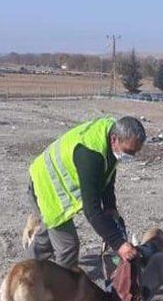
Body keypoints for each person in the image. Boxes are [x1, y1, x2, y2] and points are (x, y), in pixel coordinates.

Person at [26, 115, 146, 269]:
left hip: (51, 181)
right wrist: (119, 244)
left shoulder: (109, 134)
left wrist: (110, 207)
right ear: (114, 139)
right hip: (46, 186)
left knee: (49, 236)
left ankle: (25, 271)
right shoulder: (90, 155)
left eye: (135, 152)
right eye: (129, 151)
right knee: (67, 247)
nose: (132, 156)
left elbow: (107, 175)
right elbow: (92, 210)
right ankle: (60, 289)